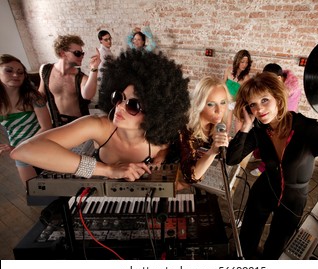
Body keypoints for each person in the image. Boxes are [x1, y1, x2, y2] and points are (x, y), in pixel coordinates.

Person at [226, 72, 318, 259]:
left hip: (293, 200)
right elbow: (231, 159)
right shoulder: (259, 128)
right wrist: (245, 127)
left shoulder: (309, 130)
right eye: (253, 104)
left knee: (275, 247)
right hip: (263, 191)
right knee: (246, 238)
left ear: (278, 98)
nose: (259, 109)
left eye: (264, 100)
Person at [11, 49, 190, 182]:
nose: (119, 107)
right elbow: (23, 151)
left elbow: (166, 147)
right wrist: (107, 170)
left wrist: (160, 157)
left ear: (157, 113)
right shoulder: (98, 126)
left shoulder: (160, 139)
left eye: (133, 105)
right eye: (118, 97)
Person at [0, 54, 52, 187]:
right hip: (19, 150)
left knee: (57, 187)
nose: (16, 75)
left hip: (41, 144)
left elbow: (46, 127)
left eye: (20, 72)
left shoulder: (33, 97)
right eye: (9, 70)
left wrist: (21, 147)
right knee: (33, 190)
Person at [175, 76, 230, 191]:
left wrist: (246, 126)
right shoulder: (186, 129)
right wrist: (213, 151)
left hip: (198, 179)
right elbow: (190, 177)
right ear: (199, 104)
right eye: (211, 104)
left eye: (223, 102)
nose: (219, 110)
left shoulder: (216, 123)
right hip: (175, 182)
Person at [250, 63, 302, 176]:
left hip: (283, 123)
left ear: (279, 78)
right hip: (274, 120)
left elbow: (286, 111)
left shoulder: (291, 90)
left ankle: (265, 168)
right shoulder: (277, 85)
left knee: (275, 148)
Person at [39, 34, 101, 127]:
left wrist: (94, 68)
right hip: (57, 125)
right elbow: (41, 95)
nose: (81, 56)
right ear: (62, 53)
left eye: (82, 53)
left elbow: (87, 95)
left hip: (79, 125)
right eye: (77, 53)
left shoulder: (81, 77)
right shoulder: (45, 70)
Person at [223, 49, 252, 136]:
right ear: (237, 60)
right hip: (227, 101)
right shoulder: (228, 70)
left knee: (238, 130)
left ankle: (237, 146)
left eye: (246, 62)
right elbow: (223, 85)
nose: (244, 65)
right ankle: (224, 145)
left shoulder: (246, 77)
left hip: (238, 103)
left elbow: (247, 94)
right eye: (242, 62)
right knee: (226, 126)